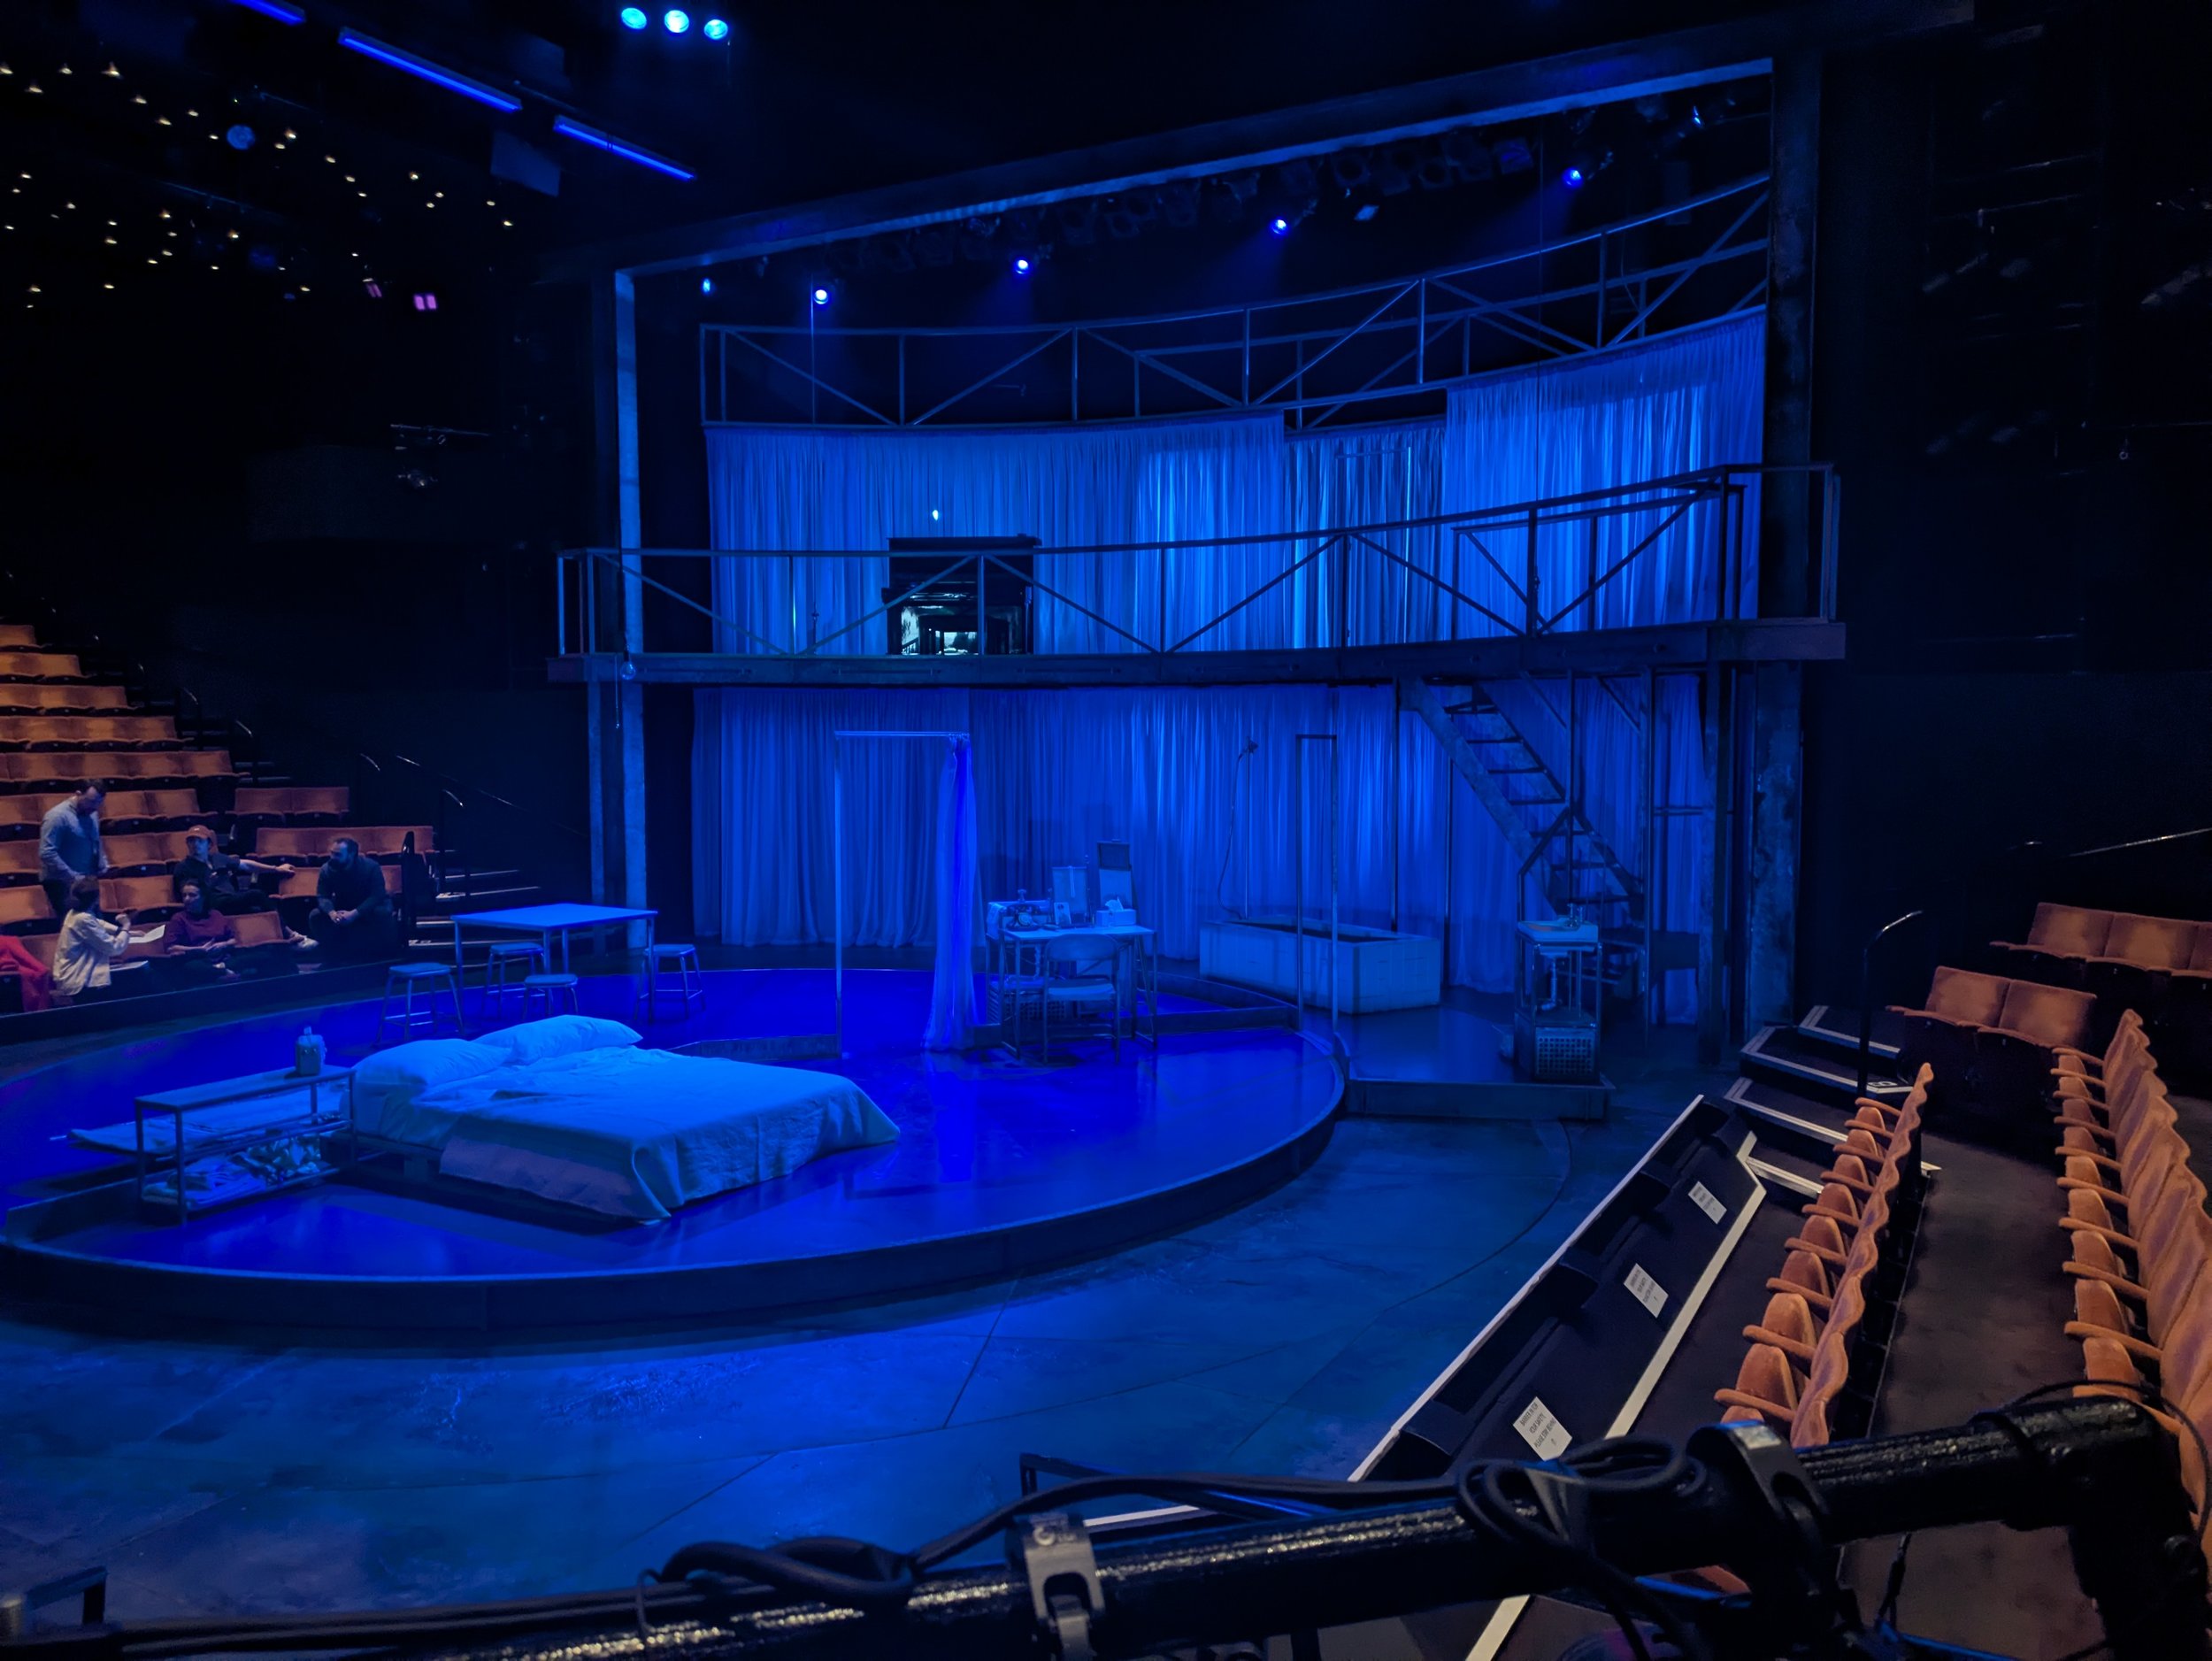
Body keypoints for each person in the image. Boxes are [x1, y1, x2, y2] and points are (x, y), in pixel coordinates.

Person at [51, 875, 150, 1004]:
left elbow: (99, 924)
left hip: (78, 974)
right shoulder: (82, 919)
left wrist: (125, 932)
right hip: (80, 979)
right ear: (96, 898)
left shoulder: (75, 913)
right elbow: (114, 948)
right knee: (139, 978)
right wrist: (126, 925)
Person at [304, 835, 395, 959]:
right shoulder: (326, 869)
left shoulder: (371, 867)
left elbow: (377, 895)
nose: (333, 858)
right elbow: (322, 896)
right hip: (344, 903)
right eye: (332, 853)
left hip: (369, 905)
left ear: (352, 854)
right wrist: (332, 913)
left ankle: (379, 957)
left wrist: (354, 914)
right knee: (315, 916)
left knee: (382, 913)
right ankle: (332, 957)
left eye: (338, 855)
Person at [171, 826, 292, 914]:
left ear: (209, 844)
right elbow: (188, 896)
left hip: (230, 898)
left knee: (257, 908)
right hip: (210, 902)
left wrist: (276, 869)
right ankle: (289, 933)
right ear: (187, 844)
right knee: (257, 895)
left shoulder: (218, 858)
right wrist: (209, 884)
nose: (195, 844)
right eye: (192, 841)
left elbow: (246, 865)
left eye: (200, 841)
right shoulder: (183, 867)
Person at [38, 781, 109, 922]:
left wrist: (102, 861)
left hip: (86, 881)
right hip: (62, 883)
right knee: (75, 927)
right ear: (78, 794)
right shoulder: (57, 817)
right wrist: (74, 877)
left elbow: (95, 840)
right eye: (91, 802)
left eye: (98, 803)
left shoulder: (92, 813)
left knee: (94, 925)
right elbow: (47, 852)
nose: (95, 807)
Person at [161, 879, 241, 982]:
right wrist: (198, 949)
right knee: (191, 967)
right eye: (184, 895)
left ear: (203, 897)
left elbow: (233, 939)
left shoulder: (216, 915)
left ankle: (221, 971)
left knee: (262, 956)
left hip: (223, 958)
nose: (187, 899)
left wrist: (223, 944)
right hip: (198, 960)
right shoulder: (178, 918)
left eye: (192, 895)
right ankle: (224, 973)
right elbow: (171, 947)